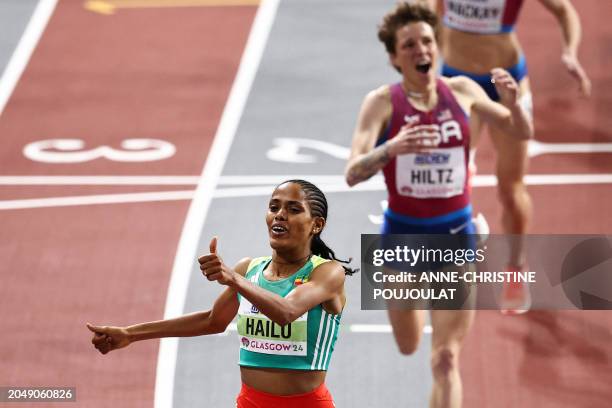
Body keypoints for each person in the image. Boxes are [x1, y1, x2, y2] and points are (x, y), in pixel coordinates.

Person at [344, 3, 532, 407]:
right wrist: (392, 148)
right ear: (395, 57)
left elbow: (521, 130)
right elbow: (352, 172)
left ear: (437, 45)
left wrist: (514, 102)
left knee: (445, 360)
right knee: (409, 344)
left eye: (426, 41)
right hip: (402, 241)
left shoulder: (463, 91)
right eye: (408, 45)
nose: (420, 50)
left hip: (456, 238)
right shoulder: (382, 103)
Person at [87, 179, 355, 408]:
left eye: (293, 209)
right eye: (274, 207)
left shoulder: (327, 273)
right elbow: (212, 320)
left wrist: (234, 280)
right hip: (250, 402)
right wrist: (130, 334)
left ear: (316, 225)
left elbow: (286, 312)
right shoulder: (249, 270)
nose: (279, 215)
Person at [434, 0, 591, 313]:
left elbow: (564, 10)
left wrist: (569, 52)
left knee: (511, 188)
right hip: (455, 81)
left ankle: (515, 269)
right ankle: (461, 242)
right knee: (448, 182)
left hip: (506, 84)